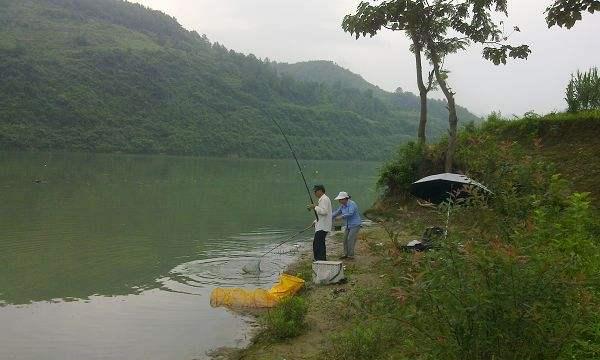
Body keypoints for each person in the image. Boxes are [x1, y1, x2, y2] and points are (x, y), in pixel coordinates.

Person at [332, 191, 362, 259]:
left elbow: (350, 213)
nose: (340, 201)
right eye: (339, 200)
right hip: (348, 225)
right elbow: (337, 212)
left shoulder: (352, 204)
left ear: (345, 198)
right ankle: (346, 254)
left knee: (350, 239)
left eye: (341, 199)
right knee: (345, 239)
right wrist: (329, 217)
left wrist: (341, 217)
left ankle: (351, 255)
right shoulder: (342, 206)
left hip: (355, 224)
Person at [307, 184, 332, 261]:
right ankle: (320, 259)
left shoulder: (324, 199)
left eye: (315, 191)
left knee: (318, 244)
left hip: (323, 227)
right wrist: (315, 221)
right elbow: (321, 215)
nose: (314, 193)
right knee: (319, 243)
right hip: (321, 225)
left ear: (320, 191)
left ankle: (320, 260)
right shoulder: (322, 199)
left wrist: (314, 207)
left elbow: (324, 212)